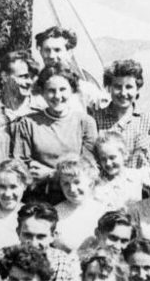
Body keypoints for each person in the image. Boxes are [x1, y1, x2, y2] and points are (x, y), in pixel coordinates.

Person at [11, 62, 98, 204]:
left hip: (75, 195)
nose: (57, 96)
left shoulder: (85, 122)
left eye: (63, 89)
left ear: (72, 90)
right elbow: (21, 165)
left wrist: (51, 174)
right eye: (51, 90)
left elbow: (88, 167)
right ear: (42, 92)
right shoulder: (27, 123)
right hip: (40, 196)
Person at [0, 202, 82, 281]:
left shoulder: (63, 262)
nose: (33, 243)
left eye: (41, 237)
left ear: (53, 236)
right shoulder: (0, 258)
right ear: (18, 232)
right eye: (27, 235)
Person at [92, 60, 150, 171]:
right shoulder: (95, 120)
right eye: (118, 87)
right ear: (109, 88)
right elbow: (90, 163)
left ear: (137, 89)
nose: (123, 93)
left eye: (129, 87)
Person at [33, 26, 105, 112]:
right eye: (47, 50)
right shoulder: (32, 88)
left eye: (57, 50)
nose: (51, 56)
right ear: (41, 52)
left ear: (69, 53)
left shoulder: (84, 89)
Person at [54, 156, 107, 253]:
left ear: (91, 184)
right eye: (66, 183)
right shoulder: (55, 213)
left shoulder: (102, 212)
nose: (72, 189)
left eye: (77, 182)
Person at [91, 132, 149, 212]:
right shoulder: (99, 185)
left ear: (125, 155)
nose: (108, 163)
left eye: (112, 157)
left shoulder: (138, 176)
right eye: (103, 159)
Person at [0, 50, 44, 124]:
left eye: (32, 77)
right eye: (23, 77)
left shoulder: (43, 110)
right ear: (5, 76)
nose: (30, 82)